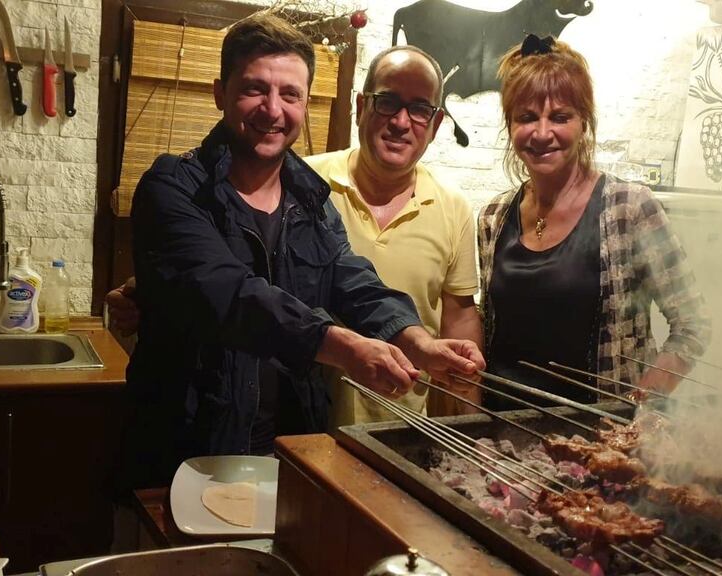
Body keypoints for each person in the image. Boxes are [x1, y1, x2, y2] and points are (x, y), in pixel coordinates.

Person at [114, 13, 485, 489]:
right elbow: (226, 293)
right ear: (220, 93)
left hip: (290, 456)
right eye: (254, 89)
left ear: (306, 103)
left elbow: (352, 279)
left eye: (290, 94)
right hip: (184, 457)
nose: (273, 109)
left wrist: (417, 342)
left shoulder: (309, 199)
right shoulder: (173, 186)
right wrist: (343, 346)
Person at [476, 34, 710, 410]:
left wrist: (636, 407)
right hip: (502, 430)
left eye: (560, 117)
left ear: (583, 122)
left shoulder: (630, 209)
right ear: (510, 125)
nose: (542, 133)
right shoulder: (493, 216)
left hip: (595, 432)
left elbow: (692, 324)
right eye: (527, 117)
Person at [304, 45, 482, 425]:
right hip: (302, 428)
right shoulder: (304, 183)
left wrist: (472, 422)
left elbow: (460, 315)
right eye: (387, 102)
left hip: (402, 432)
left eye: (420, 109)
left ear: (435, 125)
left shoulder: (453, 206)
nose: (401, 122)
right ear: (360, 106)